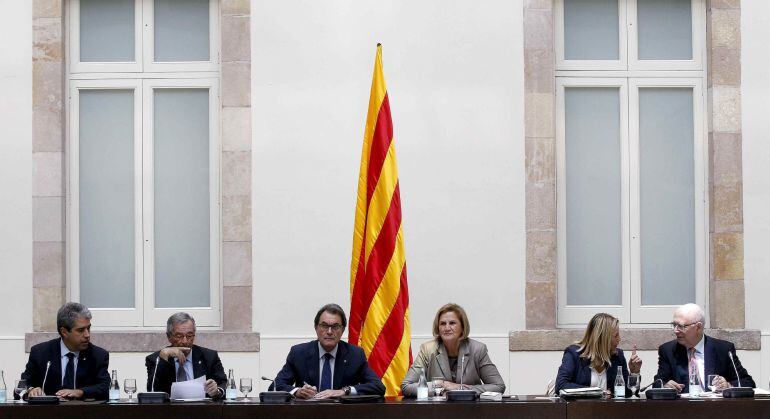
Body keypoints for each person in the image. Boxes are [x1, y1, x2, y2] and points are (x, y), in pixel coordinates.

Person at [274, 303, 385, 399]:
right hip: (308, 413)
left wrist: (345, 391)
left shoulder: (355, 355)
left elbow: (378, 386)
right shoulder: (299, 353)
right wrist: (297, 391)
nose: (329, 332)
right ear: (316, 328)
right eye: (324, 326)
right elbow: (276, 385)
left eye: (335, 326)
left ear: (342, 330)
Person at [402, 303, 505, 396]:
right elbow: (406, 386)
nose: (447, 328)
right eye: (442, 323)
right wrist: (440, 384)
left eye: (452, 323)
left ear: (462, 327)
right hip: (437, 412)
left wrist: (460, 388)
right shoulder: (428, 349)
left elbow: (498, 386)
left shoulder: (477, 349)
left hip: (469, 410)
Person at [654, 303, 755, 393]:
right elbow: (657, 383)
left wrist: (728, 385)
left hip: (716, 409)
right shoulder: (668, 350)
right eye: (674, 325)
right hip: (682, 410)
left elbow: (747, 382)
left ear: (698, 327)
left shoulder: (723, 349)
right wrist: (665, 386)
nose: (676, 330)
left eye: (681, 326)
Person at [21, 302, 110, 400]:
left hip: (84, 413)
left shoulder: (98, 355)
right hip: (48, 413)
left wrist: (80, 392)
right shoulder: (40, 353)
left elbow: (105, 388)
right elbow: (21, 386)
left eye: (88, 328)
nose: (87, 334)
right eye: (81, 330)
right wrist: (31, 389)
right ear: (64, 332)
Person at [555, 312, 642, 396]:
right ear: (603, 338)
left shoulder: (618, 356)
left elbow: (628, 393)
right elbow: (561, 385)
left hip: (610, 410)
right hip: (580, 409)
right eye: (616, 335)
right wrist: (598, 392)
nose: (619, 339)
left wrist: (634, 373)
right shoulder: (574, 354)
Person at [145, 312, 227, 398]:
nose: (185, 341)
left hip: (201, 409)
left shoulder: (209, 356)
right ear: (169, 337)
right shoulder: (155, 358)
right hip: (169, 410)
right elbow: (152, 392)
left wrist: (217, 391)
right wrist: (164, 357)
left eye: (189, 336)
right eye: (179, 336)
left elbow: (225, 385)